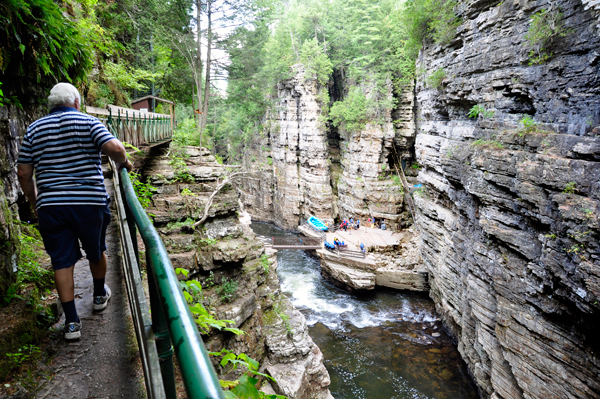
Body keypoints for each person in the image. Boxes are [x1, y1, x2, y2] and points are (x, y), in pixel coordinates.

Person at [17, 83, 133, 340]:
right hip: (89, 202)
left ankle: (71, 323)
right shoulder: (88, 122)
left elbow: (24, 172)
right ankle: (100, 295)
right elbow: (115, 149)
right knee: (96, 248)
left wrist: (36, 201)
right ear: (77, 102)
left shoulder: (34, 129)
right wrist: (125, 162)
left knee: (62, 261)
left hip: (51, 206)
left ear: (51, 105)